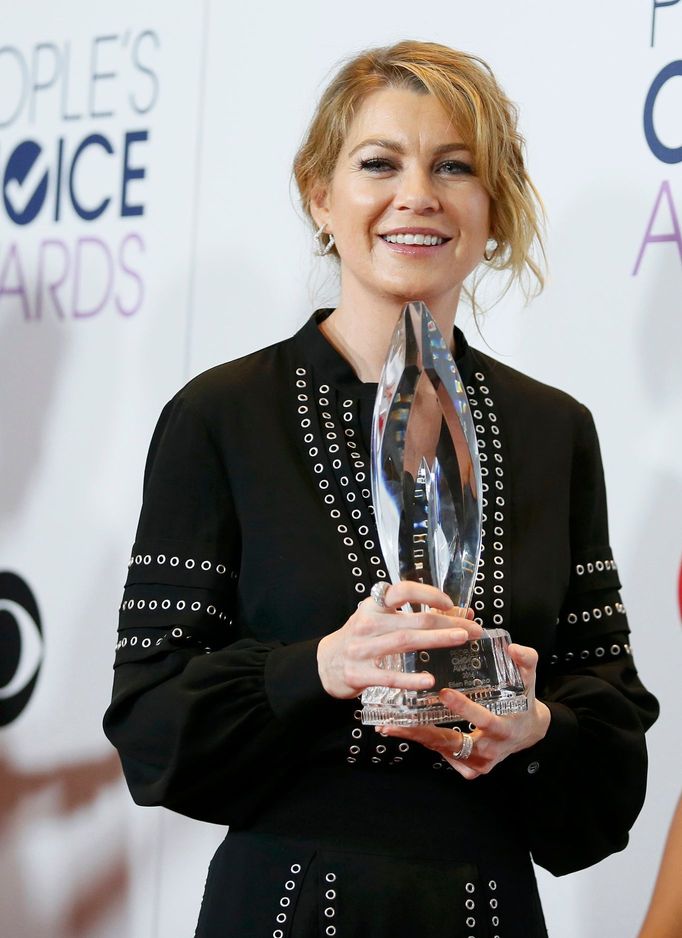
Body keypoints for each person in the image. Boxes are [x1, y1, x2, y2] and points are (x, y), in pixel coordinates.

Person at [104, 41, 659, 937]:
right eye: (378, 163)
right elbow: (150, 721)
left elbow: (613, 744)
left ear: (494, 208)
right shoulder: (223, 415)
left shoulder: (555, 430)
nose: (418, 196)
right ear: (321, 196)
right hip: (287, 904)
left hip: (488, 905)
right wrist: (321, 667)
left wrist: (536, 726)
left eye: (454, 167)